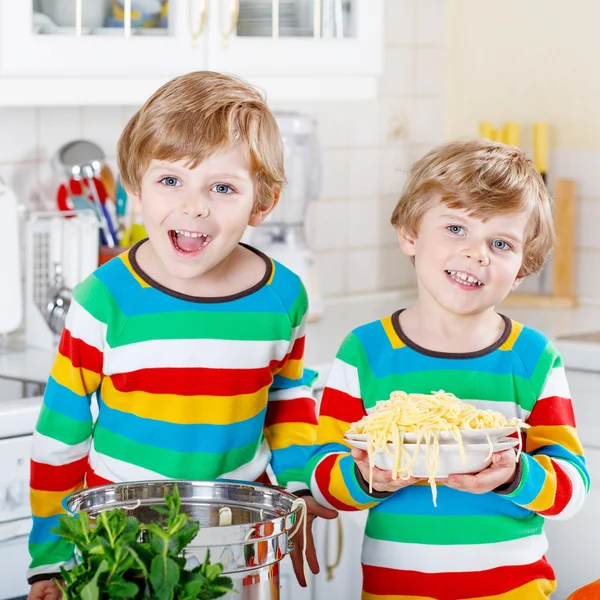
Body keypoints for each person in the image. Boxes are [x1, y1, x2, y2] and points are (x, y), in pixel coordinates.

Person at [27, 70, 336, 600]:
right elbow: (61, 438)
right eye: (170, 180)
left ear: (263, 203)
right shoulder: (105, 300)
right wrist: (50, 560)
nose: (194, 206)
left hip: (241, 542)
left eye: (222, 187)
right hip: (119, 544)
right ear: (135, 192)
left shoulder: (284, 296)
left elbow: (287, 400)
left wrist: (300, 487)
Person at [306, 139, 590, 599]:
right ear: (410, 235)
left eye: (501, 243)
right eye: (456, 229)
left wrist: (516, 475)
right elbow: (321, 478)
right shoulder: (365, 351)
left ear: (522, 269)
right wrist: (366, 477)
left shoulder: (533, 357)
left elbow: (573, 486)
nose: (477, 254)